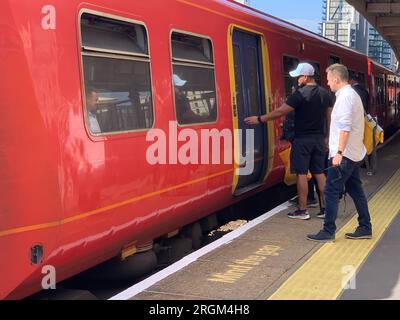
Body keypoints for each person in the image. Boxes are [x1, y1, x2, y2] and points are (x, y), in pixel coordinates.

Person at [245, 62, 332, 220]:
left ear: (305, 77)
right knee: (320, 173)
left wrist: (260, 119)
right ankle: (326, 209)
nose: (297, 79)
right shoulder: (325, 94)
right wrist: (327, 136)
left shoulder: (299, 95)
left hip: (302, 140)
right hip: (319, 139)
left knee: (301, 174)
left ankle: (302, 210)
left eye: (299, 76)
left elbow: (280, 111)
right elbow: (329, 117)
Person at [307, 64, 372, 242]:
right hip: (353, 153)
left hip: (344, 155)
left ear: (336, 78)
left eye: (328, 80)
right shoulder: (351, 95)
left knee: (331, 190)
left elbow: (345, 128)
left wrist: (339, 152)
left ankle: (328, 231)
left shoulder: (345, 98)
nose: (328, 83)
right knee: (355, 190)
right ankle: (365, 226)